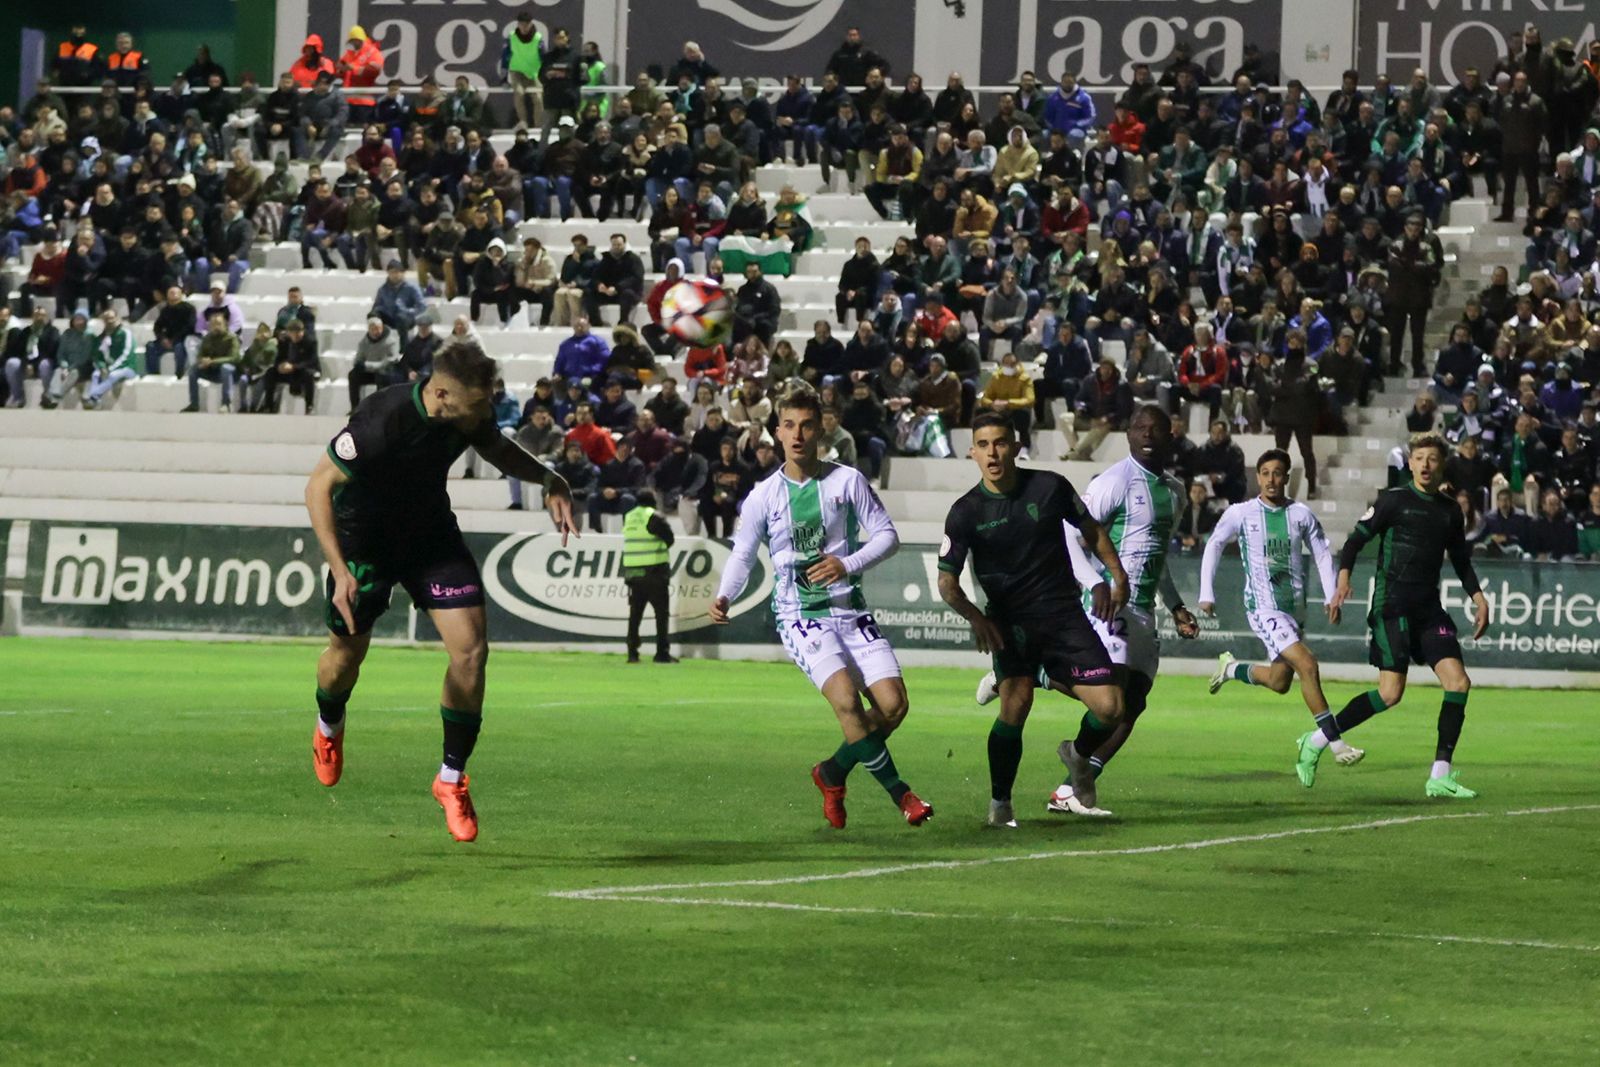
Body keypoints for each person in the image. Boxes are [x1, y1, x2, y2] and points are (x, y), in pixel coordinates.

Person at [306, 342, 578, 842]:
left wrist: (547, 476)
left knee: (472, 652)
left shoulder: (470, 413)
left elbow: (494, 446)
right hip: (363, 544)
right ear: (440, 394)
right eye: (475, 406)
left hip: (431, 539)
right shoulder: (380, 421)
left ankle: (450, 777)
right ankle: (328, 724)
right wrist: (339, 570)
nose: (483, 414)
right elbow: (318, 485)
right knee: (345, 658)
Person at [711, 387, 933, 828]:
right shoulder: (764, 496)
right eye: (788, 425)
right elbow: (742, 552)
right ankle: (903, 795)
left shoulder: (846, 480)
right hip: (801, 617)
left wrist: (845, 563)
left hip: (851, 612)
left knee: (894, 707)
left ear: (820, 429)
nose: (797, 434)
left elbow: (887, 536)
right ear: (777, 431)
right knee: (848, 704)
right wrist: (725, 594)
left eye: (806, 425)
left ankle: (831, 771)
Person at [974, 406, 1199, 815]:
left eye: (1157, 428)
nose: (1148, 434)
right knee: (1109, 699)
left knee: (1132, 708)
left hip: (1144, 609)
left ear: (1171, 434)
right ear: (1129, 433)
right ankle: (1029, 672)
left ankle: (1069, 787)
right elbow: (1067, 531)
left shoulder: (1175, 492)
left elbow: (1155, 556)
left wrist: (1177, 604)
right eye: (1140, 427)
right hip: (1108, 605)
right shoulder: (1114, 482)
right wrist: (1095, 582)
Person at [937, 411, 1130, 827]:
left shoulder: (1049, 488)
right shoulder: (965, 511)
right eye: (984, 445)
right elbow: (947, 584)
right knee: (1015, 704)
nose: (993, 453)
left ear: (1016, 446)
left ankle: (1077, 754)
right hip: (1011, 623)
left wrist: (1116, 573)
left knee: (1112, 706)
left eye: (1001, 442)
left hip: (1063, 615)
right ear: (972, 452)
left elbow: (1092, 530)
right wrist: (977, 619)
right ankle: (1001, 804)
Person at [1324, 434, 1491, 799]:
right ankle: (1322, 735)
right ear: (1411, 464)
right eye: (1420, 458)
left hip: (1428, 609)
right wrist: (1342, 583)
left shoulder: (1450, 510)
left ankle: (1439, 775)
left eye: (1433, 458)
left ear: (1441, 464)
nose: (1426, 465)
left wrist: (1479, 599)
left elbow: (1460, 561)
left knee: (1459, 683)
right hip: (1392, 607)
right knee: (1390, 693)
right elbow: (1354, 542)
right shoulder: (1394, 501)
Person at [1200, 448, 1364, 773]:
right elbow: (1215, 543)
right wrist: (1207, 592)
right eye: (1265, 473)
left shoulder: (1301, 514)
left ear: (1287, 477)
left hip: (1294, 609)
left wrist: (1332, 595)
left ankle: (1231, 668)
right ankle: (1334, 742)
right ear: (1257, 477)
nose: (1271, 480)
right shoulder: (1241, 513)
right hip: (1263, 607)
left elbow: (1321, 553)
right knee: (1308, 664)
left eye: (1277, 473)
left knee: (1279, 682)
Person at [622, 489, 677, 664]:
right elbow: (669, 538)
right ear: (653, 501)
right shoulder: (653, 516)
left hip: (633, 574)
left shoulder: (629, 517)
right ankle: (662, 653)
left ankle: (632, 653)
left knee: (635, 615)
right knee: (661, 615)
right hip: (654, 572)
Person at [181, 310, 239, 413]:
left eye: (219, 324)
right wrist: (202, 360)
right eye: (213, 324)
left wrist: (212, 361)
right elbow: (200, 355)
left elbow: (234, 358)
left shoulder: (232, 338)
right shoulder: (207, 338)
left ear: (225, 324)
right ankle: (194, 404)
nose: (216, 327)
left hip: (229, 372)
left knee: (225, 368)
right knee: (193, 371)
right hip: (211, 370)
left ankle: (226, 404)